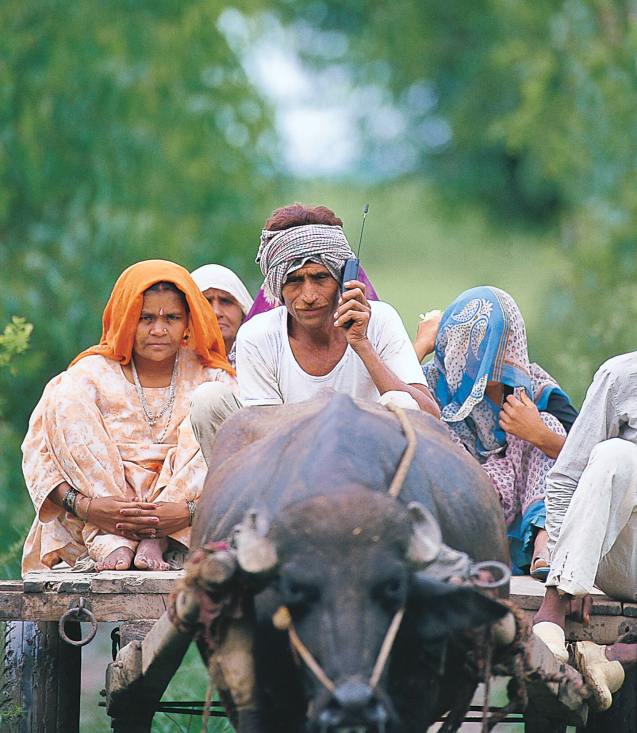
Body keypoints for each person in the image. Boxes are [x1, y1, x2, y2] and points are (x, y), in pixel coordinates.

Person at [21, 260, 237, 575]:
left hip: (182, 525)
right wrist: (90, 507)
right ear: (125, 319)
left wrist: (186, 513)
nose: (159, 330)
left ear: (189, 321)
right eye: (145, 318)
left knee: (214, 402)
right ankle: (113, 541)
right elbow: (40, 456)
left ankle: (159, 539)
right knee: (63, 398)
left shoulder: (211, 374)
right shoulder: (88, 375)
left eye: (172, 318)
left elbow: (246, 455)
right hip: (99, 518)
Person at [190, 203, 439, 465]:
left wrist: (362, 344)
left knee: (401, 401)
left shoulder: (380, 320)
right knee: (209, 400)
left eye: (320, 278)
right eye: (295, 280)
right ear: (278, 287)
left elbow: (430, 418)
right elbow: (268, 439)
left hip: (372, 464)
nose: (308, 297)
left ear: (342, 281)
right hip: (287, 464)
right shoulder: (257, 335)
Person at [416, 287, 577, 576]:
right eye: (470, 342)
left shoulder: (533, 387)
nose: (481, 355)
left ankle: (544, 545)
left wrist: (539, 434)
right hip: (461, 505)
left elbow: (590, 458)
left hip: (522, 512)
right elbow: (386, 408)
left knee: (549, 424)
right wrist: (420, 346)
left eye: (492, 343)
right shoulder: (431, 382)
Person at [532, 353, 637, 711]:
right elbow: (565, 480)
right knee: (614, 455)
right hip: (622, 558)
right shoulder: (621, 375)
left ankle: (615, 661)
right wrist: (571, 567)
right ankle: (554, 608)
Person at [190, 264, 253, 367]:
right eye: (206, 302)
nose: (216, 312)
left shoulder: (263, 365)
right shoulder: (172, 368)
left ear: (243, 314)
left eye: (226, 302)